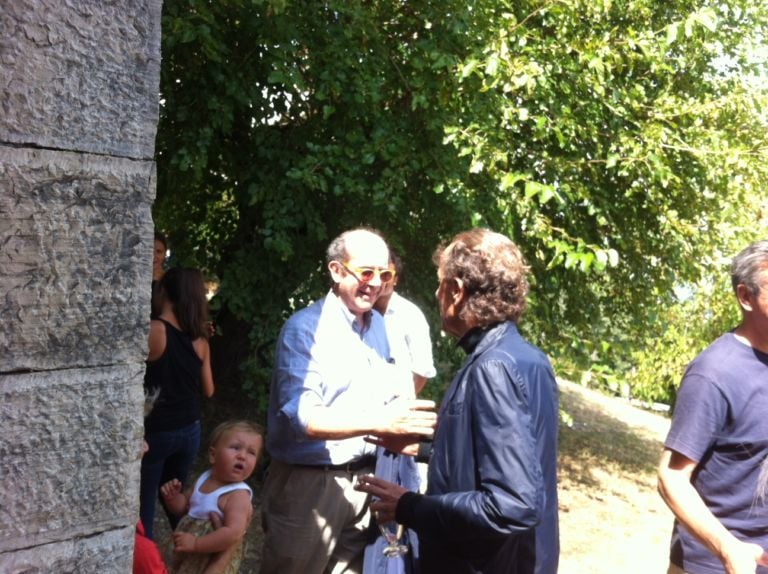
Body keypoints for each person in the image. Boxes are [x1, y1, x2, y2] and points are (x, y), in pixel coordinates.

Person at [356, 228, 560, 574]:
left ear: (457, 291)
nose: (436, 294)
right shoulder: (526, 357)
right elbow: (499, 456)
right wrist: (421, 448)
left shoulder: (494, 366)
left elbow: (511, 504)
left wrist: (409, 506)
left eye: (440, 284)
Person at [259, 227, 438, 574]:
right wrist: (380, 421)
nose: (374, 283)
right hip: (309, 486)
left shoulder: (379, 326)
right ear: (337, 271)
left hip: (366, 482)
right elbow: (304, 416)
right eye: (365, 272)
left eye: (383, 274)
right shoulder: (305, 329)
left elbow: (395, 395)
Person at [657, 239, 768, 574]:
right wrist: (727, 548)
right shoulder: (714, 373)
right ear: (745, 297)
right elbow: (671, 478)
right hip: (716, 564)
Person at [141, 267, 215, 540]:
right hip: (190, 430)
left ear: (164, 293)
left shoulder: (155, 330)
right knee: (176, 501)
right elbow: (209, 390)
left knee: (143, 509)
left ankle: (143, 565)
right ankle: (193, 555)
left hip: (156, 433)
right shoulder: (200, 340)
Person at [160, 420, 263, 574]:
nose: (242, 456)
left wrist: (196, 543)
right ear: (213, 455)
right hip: (187, 550)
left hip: (208, 557)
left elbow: (233, 533)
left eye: (251, 452)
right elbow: (184, 508)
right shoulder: (204, 478)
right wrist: (173, 498)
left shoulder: (238, 495)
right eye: (236, 448)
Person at [373, 251, 436, 394]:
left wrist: (404, 402)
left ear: (395, 279)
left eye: (386, 275)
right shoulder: (359, 312)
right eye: (376, 274)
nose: (380, 280)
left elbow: (422, 369)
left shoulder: (410, 315)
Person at [151, 232, 168, 319]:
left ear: (165, 254)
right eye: (149, 250)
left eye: (159, 252)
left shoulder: (171, 280)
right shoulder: (132, 278)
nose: (154, 256)